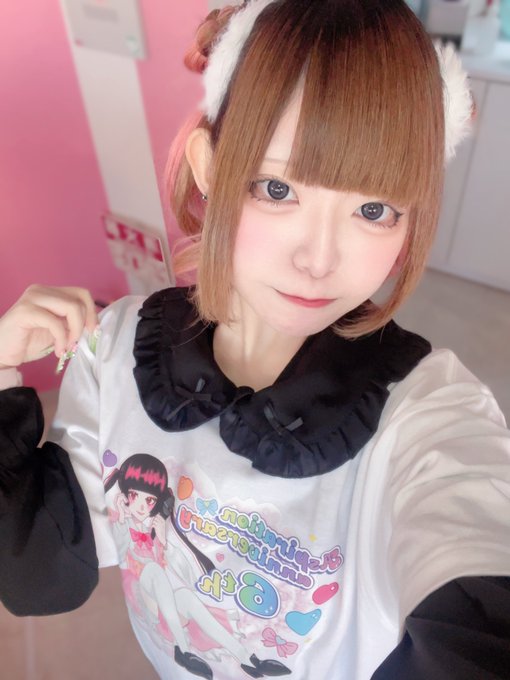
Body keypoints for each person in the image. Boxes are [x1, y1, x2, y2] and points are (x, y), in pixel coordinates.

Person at [0, 1, 509, 678]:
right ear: (210, 168)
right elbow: (38, 574)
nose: (319, 259)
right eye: (277, 188)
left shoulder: (425, 412)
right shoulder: (119, 347)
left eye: (373, 209)